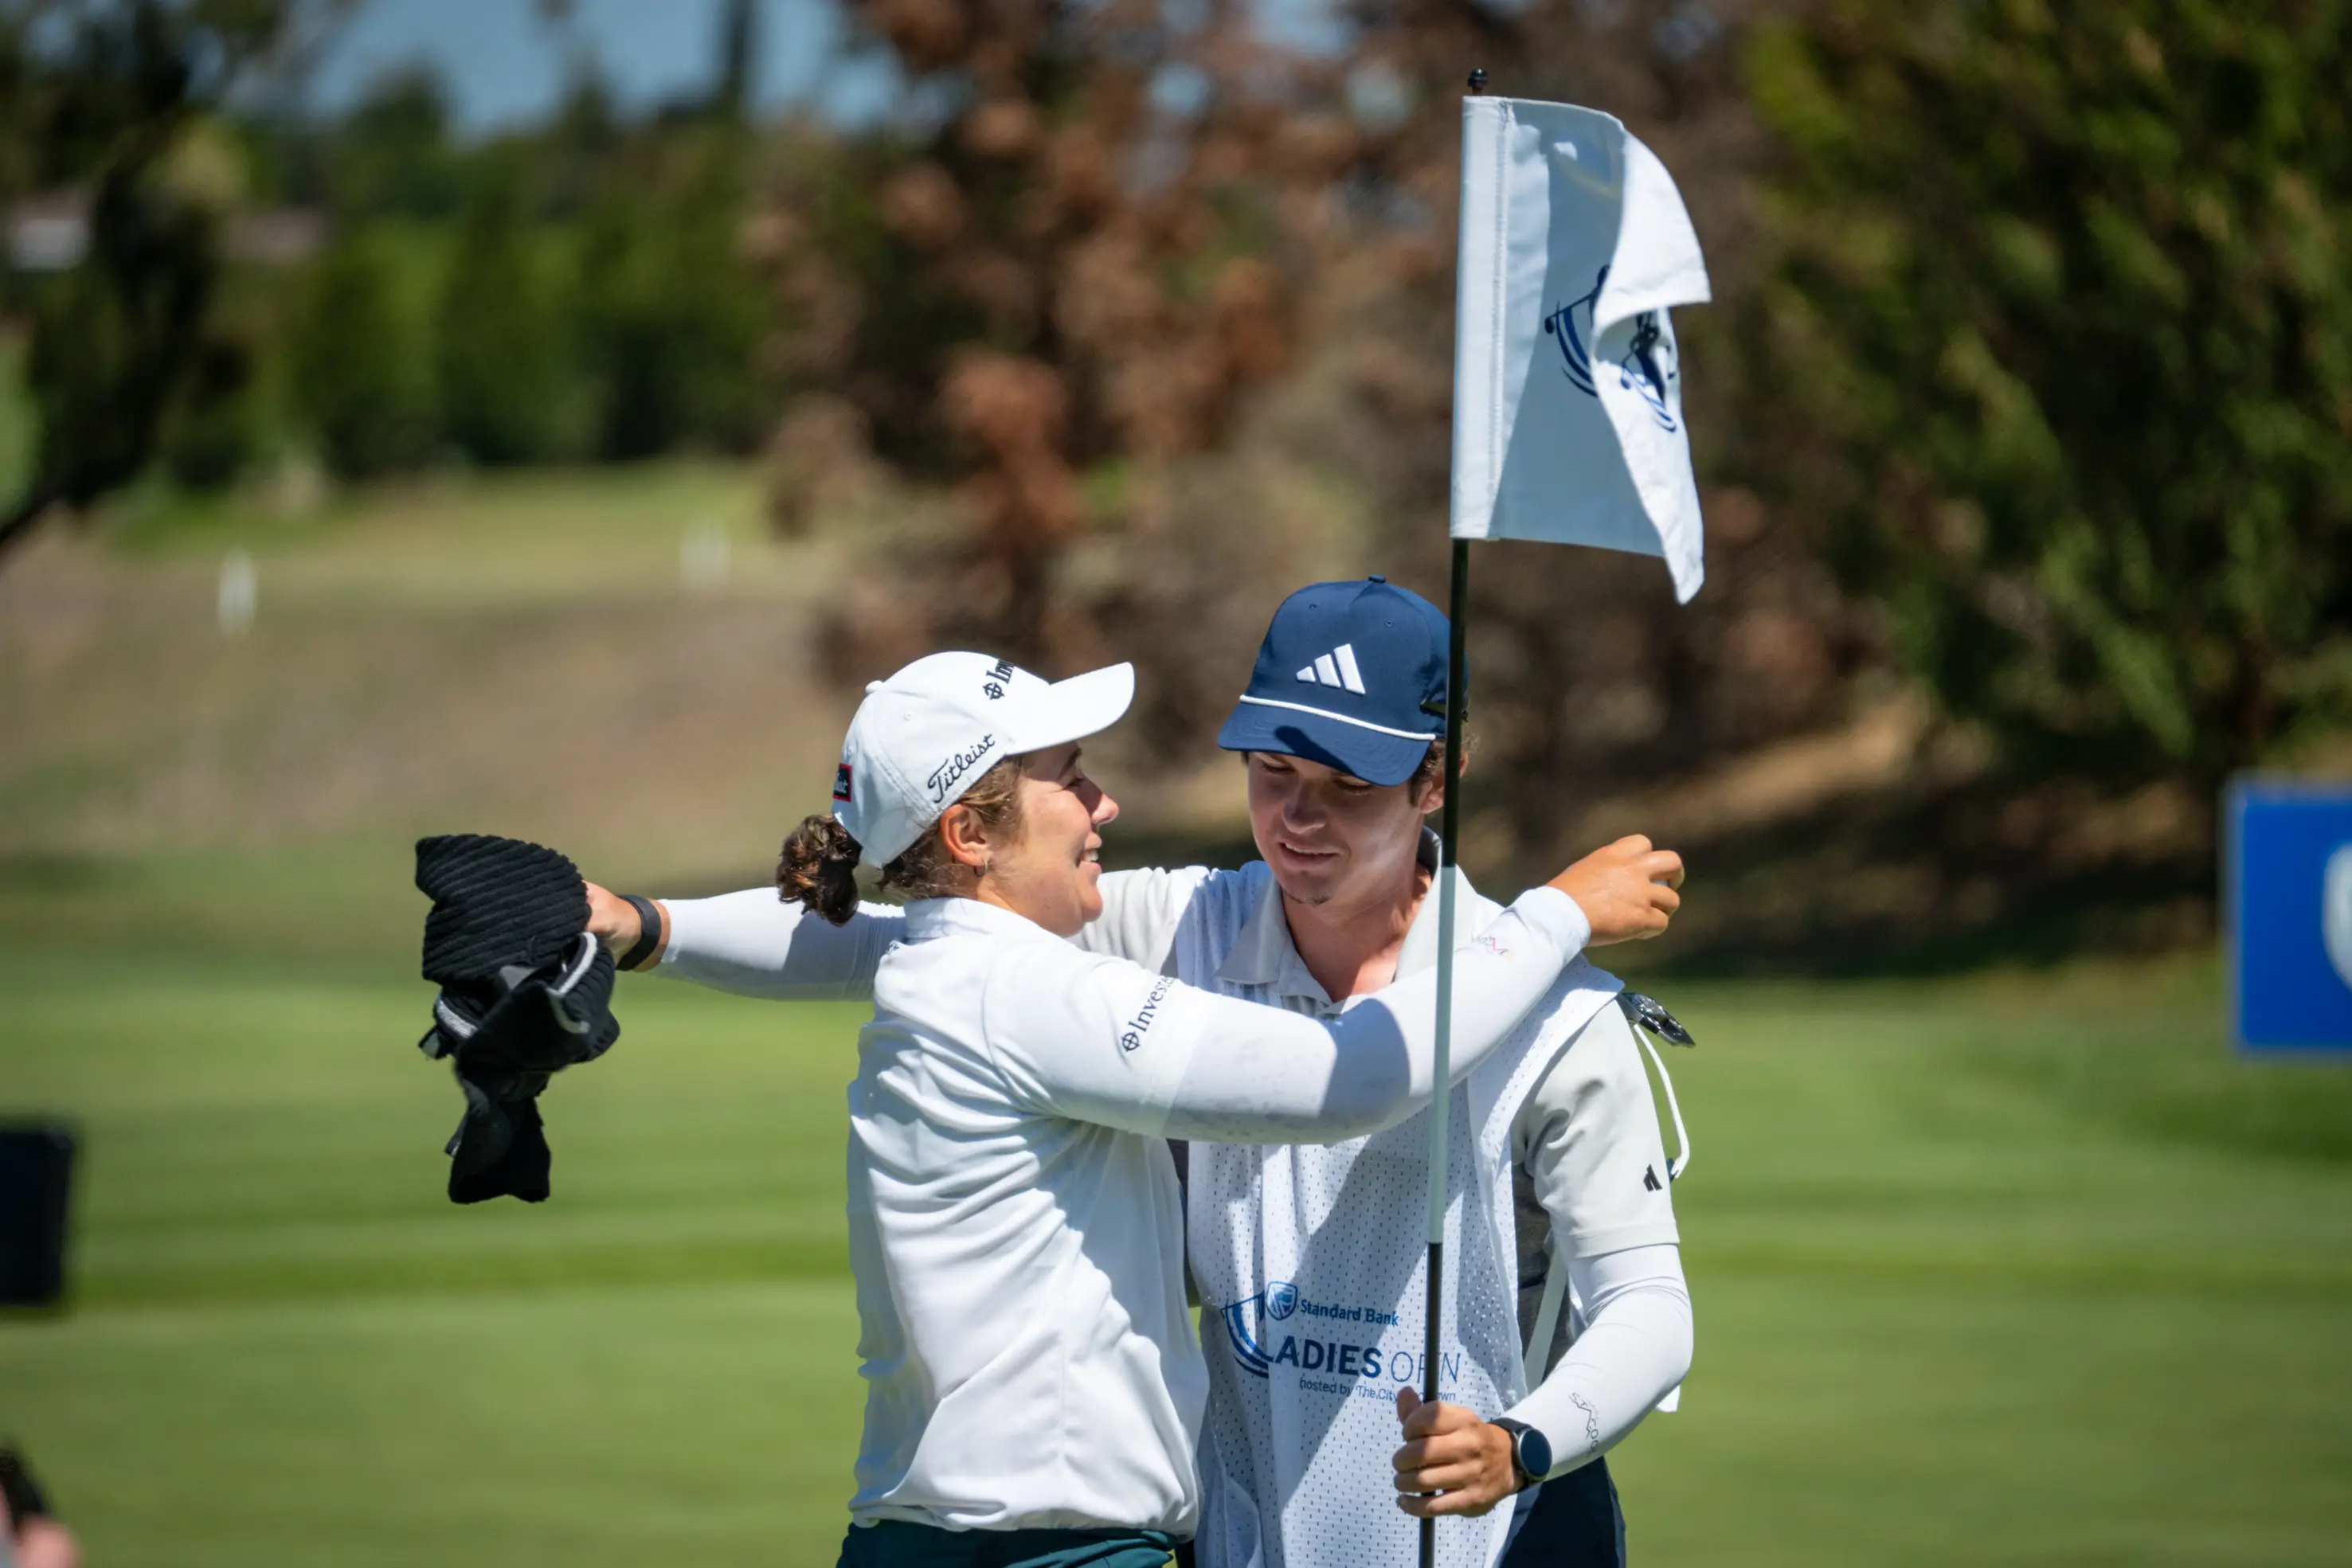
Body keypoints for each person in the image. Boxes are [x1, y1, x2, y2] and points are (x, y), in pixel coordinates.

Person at [681, 648, 1682, 1568]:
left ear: (1434, 781)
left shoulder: (1561, 1011)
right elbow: (1357, 1078)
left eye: (1347, 784)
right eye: (1273, 774)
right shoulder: (1162, 932)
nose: (1299, 816)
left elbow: (875, 933)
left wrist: (647, 924)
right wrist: (1558, 915)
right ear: (969, 833)